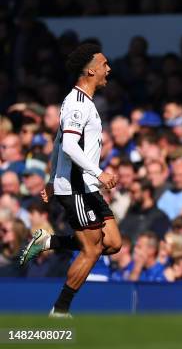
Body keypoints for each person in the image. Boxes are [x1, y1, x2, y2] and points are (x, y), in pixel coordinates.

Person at [19, 43, 121, 317]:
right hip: (77, 187)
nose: (108, 69)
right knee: (92, 249)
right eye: (104, 64)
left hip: (83, 185)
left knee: (112, 243)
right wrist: (98, 173)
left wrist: (52, 179)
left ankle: (47, 242)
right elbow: (69, 147)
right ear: (90, 70)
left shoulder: (82, 102)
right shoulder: (77, 104)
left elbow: (57, 142)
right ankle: (60, 310)